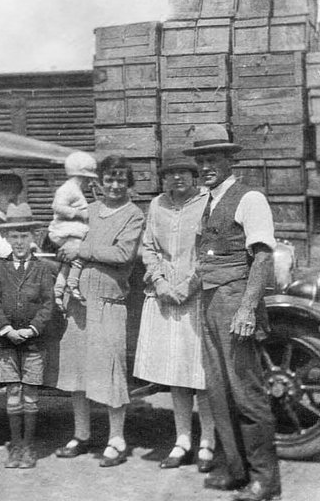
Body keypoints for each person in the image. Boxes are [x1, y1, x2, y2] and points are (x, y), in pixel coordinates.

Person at [183, 124, 281, 501]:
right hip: (210, 302)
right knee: (219, 391)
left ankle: (265, 481)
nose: (206, 166)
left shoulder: (249, 198)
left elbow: (262, 257)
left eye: (213, 158)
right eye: (201, 160)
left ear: (230, 160)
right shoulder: (207, 202)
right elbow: (206, 260)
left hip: (235, 302)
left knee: (247, 393)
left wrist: (247, 309)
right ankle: (236, 471)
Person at [52, 154, 145, 467]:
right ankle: (81, 433)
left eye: (121, 179)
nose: (115, 185)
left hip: (108, 301)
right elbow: (64, 239)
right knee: (77, 371)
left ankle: (116, 439)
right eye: (109, 179)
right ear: (100, 181)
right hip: (77, 301)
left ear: (128, 182)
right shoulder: (87, 210)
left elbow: (122, 253)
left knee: (111, 370)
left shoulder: (133, 215)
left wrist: (82, 250)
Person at [132, 154, 216, 472]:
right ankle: (182, 441)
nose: (177, 178)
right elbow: (149, 247)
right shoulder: (157, 205)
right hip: (166, 295)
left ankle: (208, 441)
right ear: (163, 178)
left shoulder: (207, 202)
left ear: (194, 176)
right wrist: (160, 281)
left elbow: (211, 250)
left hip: (198, 295)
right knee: (176, 375)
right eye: (171, 174)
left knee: (201, 373)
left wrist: (189, 285)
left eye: (184, 173)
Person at [0, 203, 57, 470]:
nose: (18, 242)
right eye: (14, 236)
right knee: (12, 392)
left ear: (33, 238)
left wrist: (32, 329)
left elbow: (48, 303)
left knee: (30, 393)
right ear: (6, 238)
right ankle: (15, 444)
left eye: (24, 236)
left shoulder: (42, 269)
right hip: (6, 341)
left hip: (33, 341)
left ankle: (28, 444)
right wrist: (5, 328)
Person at [48, 151, 98, 307]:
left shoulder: (75, 189)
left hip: (70, 230)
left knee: (68, 262)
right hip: (65, 230)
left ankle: (58, 292)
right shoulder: (68, 189)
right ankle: (72, 282)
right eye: (87, 179)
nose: (89, 183)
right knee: (79, 253)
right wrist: (79, 214)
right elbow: (57, 207)